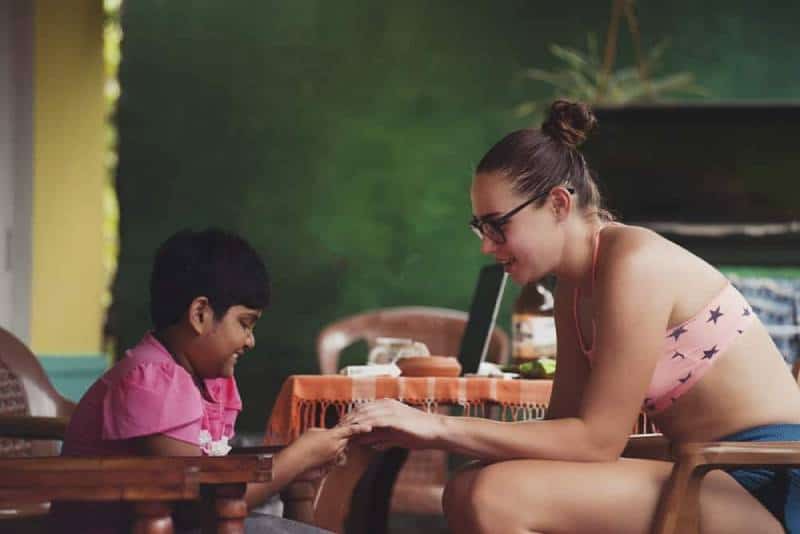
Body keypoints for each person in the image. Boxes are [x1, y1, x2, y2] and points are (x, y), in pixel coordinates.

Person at [344, 100, 800, 533]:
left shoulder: (634, 263)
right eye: (480, 228)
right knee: (464, 488)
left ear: (559, 205)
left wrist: (439, 426)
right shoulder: (575, 287)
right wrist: (431, 431)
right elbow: (563, 428)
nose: (486, 245)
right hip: (705, 469)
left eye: (497, 225)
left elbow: (596, 442)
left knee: (493, 495)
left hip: (767, 482)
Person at [54, 228, 367, 533]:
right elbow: (199, 506)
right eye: (245, 324)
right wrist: (298, 457)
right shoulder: (151, 380)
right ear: (200, 314)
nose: (250, 341)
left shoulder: (202, 381)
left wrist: (300, 463)